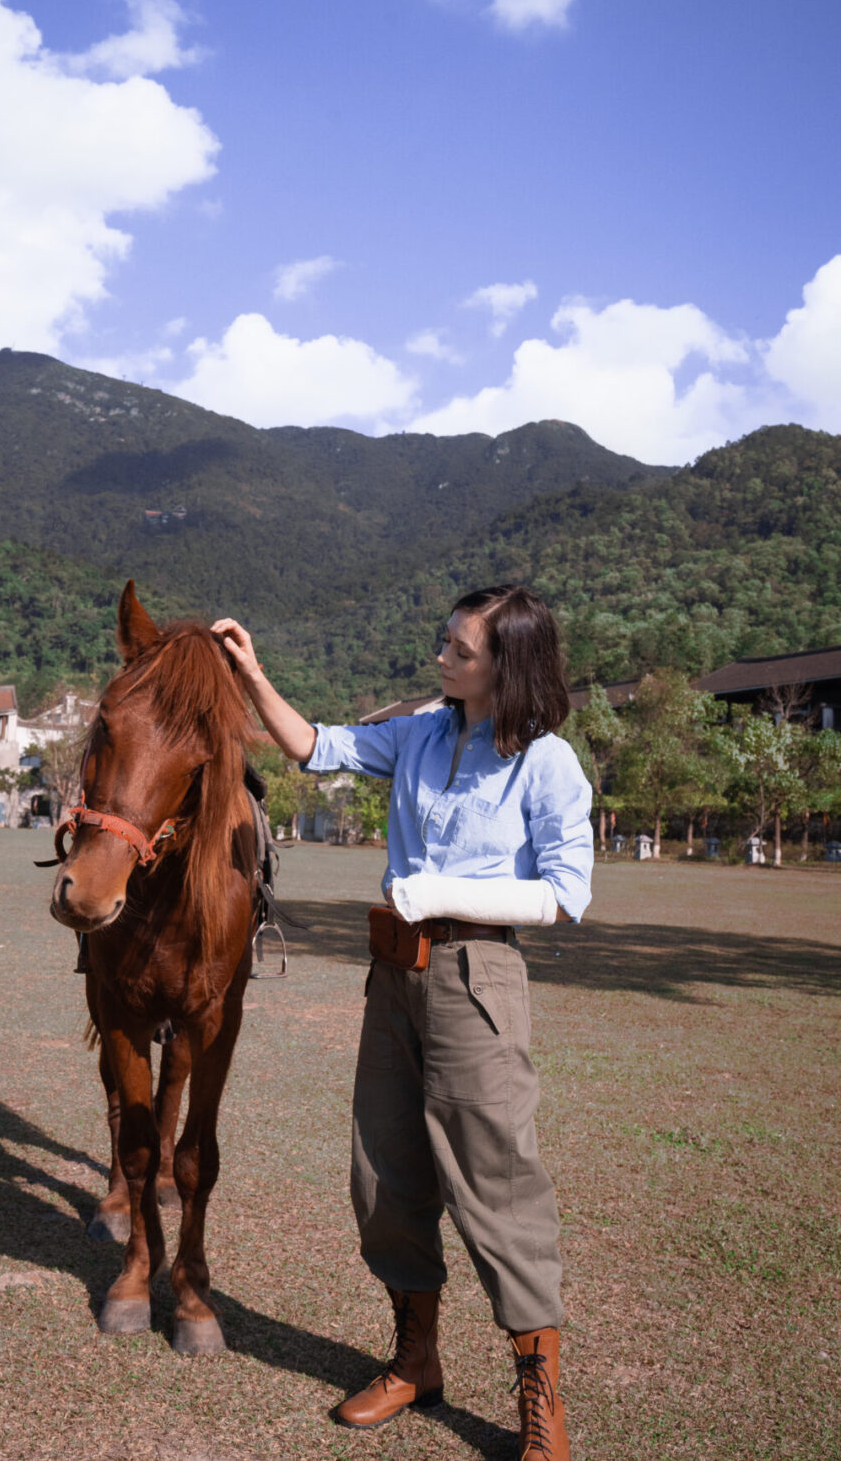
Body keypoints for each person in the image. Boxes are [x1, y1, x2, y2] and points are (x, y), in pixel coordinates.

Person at [213, 585, 592, 1461]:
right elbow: (314, 747)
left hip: (479, 975)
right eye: (445, 645)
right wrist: (254, 673)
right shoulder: (421, 731)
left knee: (495, 1184)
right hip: (394, 976)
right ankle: (415, 1358)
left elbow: (566, 895)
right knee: (384, 1172)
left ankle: (540, 1396)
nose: (442, 660)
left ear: (508, 663)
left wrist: (446, 893)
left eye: (459, 651)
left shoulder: (546, 762)